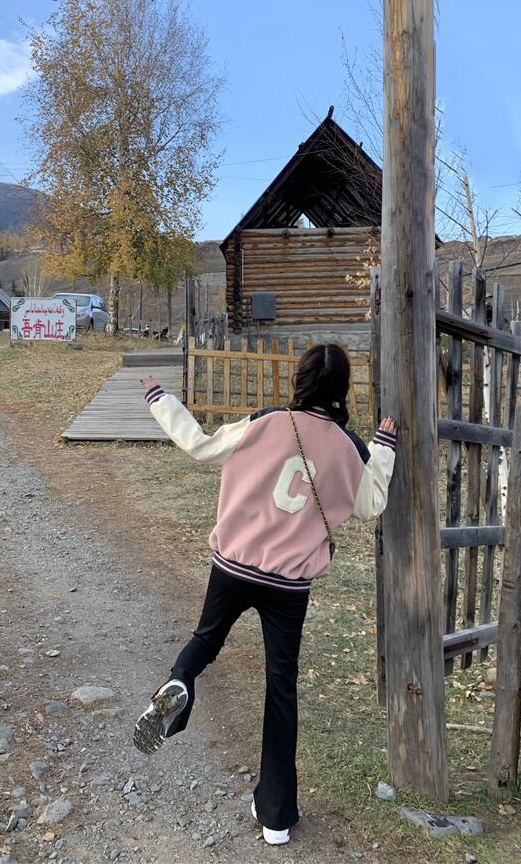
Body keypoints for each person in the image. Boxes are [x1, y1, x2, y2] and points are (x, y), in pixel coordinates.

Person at [133, 343, 397, 846]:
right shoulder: (349, 447)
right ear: (342, 390)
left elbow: (200, 445)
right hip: (288, 586)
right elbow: (371, 504)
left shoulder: (265, 422)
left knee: (205, 641)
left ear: (299, 380)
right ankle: (276, 815)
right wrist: (383, 447)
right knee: (281, 687)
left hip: (232, 566)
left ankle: (179, 681)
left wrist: (159, 399)